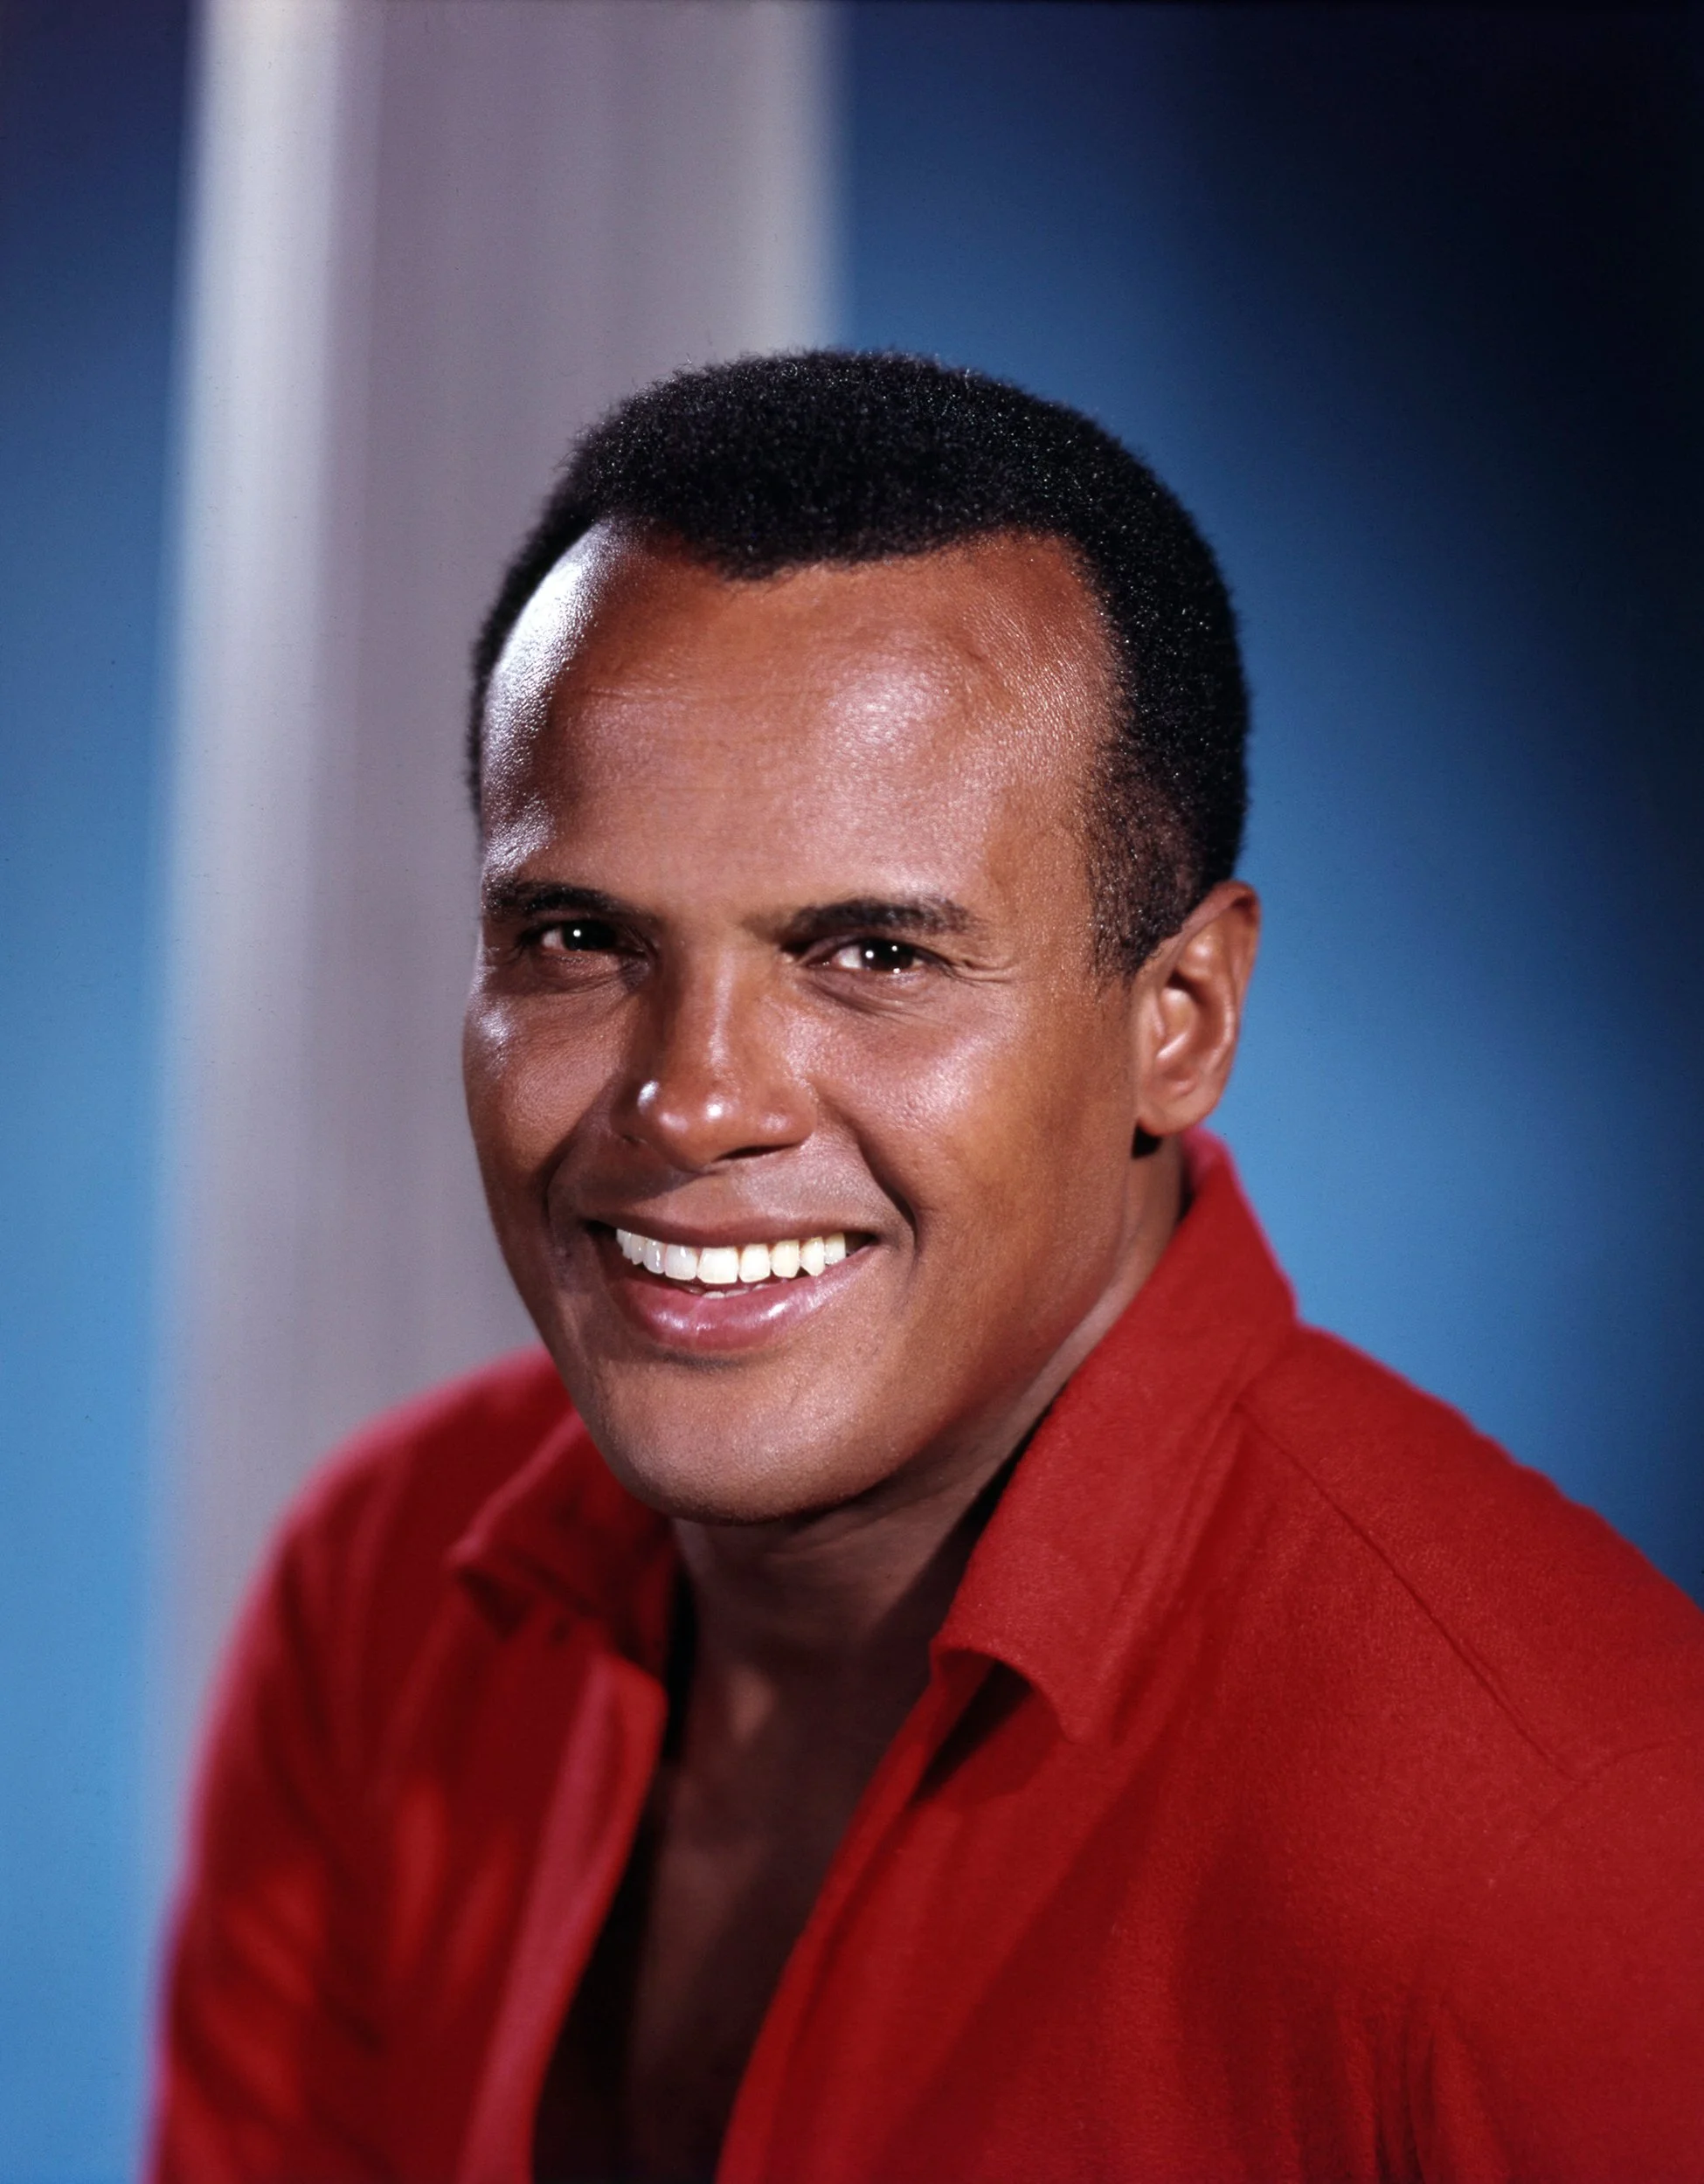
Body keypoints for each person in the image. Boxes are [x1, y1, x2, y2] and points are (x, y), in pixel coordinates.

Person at [149, 352, 1704, 2184]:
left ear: (1181, 1020)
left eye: (871, 955)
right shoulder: (382, 1593)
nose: (693, 1101)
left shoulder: (1572, 1845)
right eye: (577, 937)